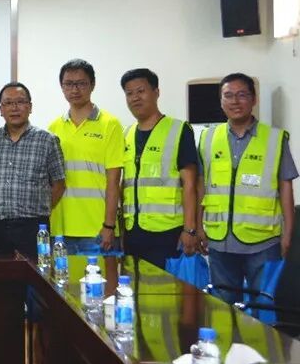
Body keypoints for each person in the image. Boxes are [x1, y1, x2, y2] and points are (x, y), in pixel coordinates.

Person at [198, 73, 297, 304]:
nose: (235, 101)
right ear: (221, 101)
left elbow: (286, 189)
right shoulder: (208, 138)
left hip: (263, 242)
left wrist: (288, 235)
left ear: (254, 99)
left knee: (263, 306)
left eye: (242, 95)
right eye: (228, 95)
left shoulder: (275, 139)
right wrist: (197, 226)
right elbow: (201, 186)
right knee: (223, 307)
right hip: (219, 240)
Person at [120, 68, 199, 269]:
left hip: (168, 231)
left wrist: (190, 229)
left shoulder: (178, 130)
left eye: (141, 91)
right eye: (129, 93)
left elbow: (190, 184)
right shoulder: (126, 134)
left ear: (156, 92)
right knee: (135, 285)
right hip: (133, 231)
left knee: (166, 287)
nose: (135, 98)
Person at [0, 82, 65, 259]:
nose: (14, 108)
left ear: (30, 107)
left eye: (20, 102)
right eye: (8, 103)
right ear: (1, 109)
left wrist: (40, 208)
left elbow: (59, 184)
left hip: (33, 228)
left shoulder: (47, 140)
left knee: (35, 275)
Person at [48, 59, 124, 254]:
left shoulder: (110, 124)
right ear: (62, 87)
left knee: (101, 276)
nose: (75, 90)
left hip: (97, 230)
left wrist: (109, 225)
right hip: (60, 229)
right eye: (69, 84)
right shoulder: (54, 128)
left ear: (93, 85)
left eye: (81, 83)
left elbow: (114, 180)